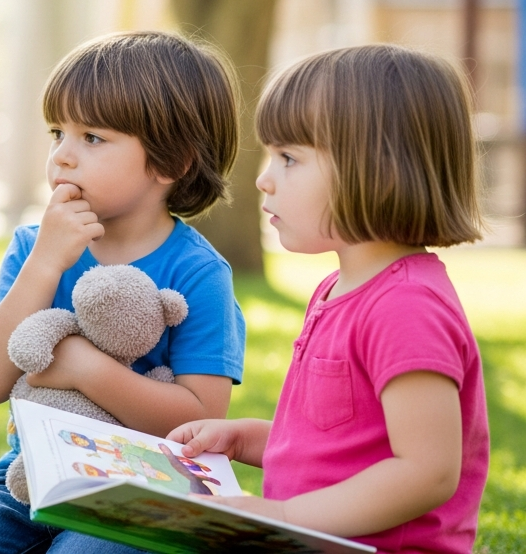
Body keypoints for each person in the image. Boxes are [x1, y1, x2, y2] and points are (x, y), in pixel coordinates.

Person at [0, 31, 246, 553]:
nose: (62, 156)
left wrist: (85, 368)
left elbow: (197, 423)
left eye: (93, 138)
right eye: (57, 132)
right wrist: (45, 263)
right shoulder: (35, 249)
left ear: (172, 162)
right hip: (27, 478)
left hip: (144, 492)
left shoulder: (198, 273)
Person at [171, 45, 489, 553]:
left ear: (378, 167)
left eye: (289, 158)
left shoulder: (406, 307)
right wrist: (245, 438)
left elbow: (427, 471)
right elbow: (341, 442)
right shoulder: (339, 289)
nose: (264, 177)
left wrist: (282, 516)